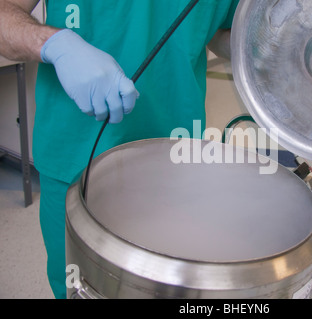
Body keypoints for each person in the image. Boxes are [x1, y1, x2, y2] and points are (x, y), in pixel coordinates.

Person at [0, 0, 239, 299]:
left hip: (177, 166)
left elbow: (221, 31)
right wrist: (54, 44)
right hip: (75, 162)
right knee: (82, 291)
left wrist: (267, 41)